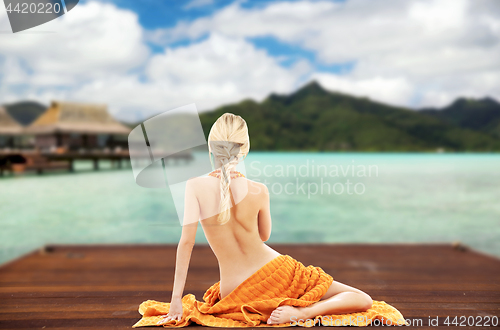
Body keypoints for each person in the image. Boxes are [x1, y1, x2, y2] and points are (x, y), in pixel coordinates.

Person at [156, 113, 373, 326]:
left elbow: (186, 242)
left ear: (210, 147)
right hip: (278, 275)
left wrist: (176, 300)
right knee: (361, 298)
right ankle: (306, 311)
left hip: (234, 290)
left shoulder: (195, 186)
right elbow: (264, 235)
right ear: (244, 150)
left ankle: (303, 310)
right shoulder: (259, 190)